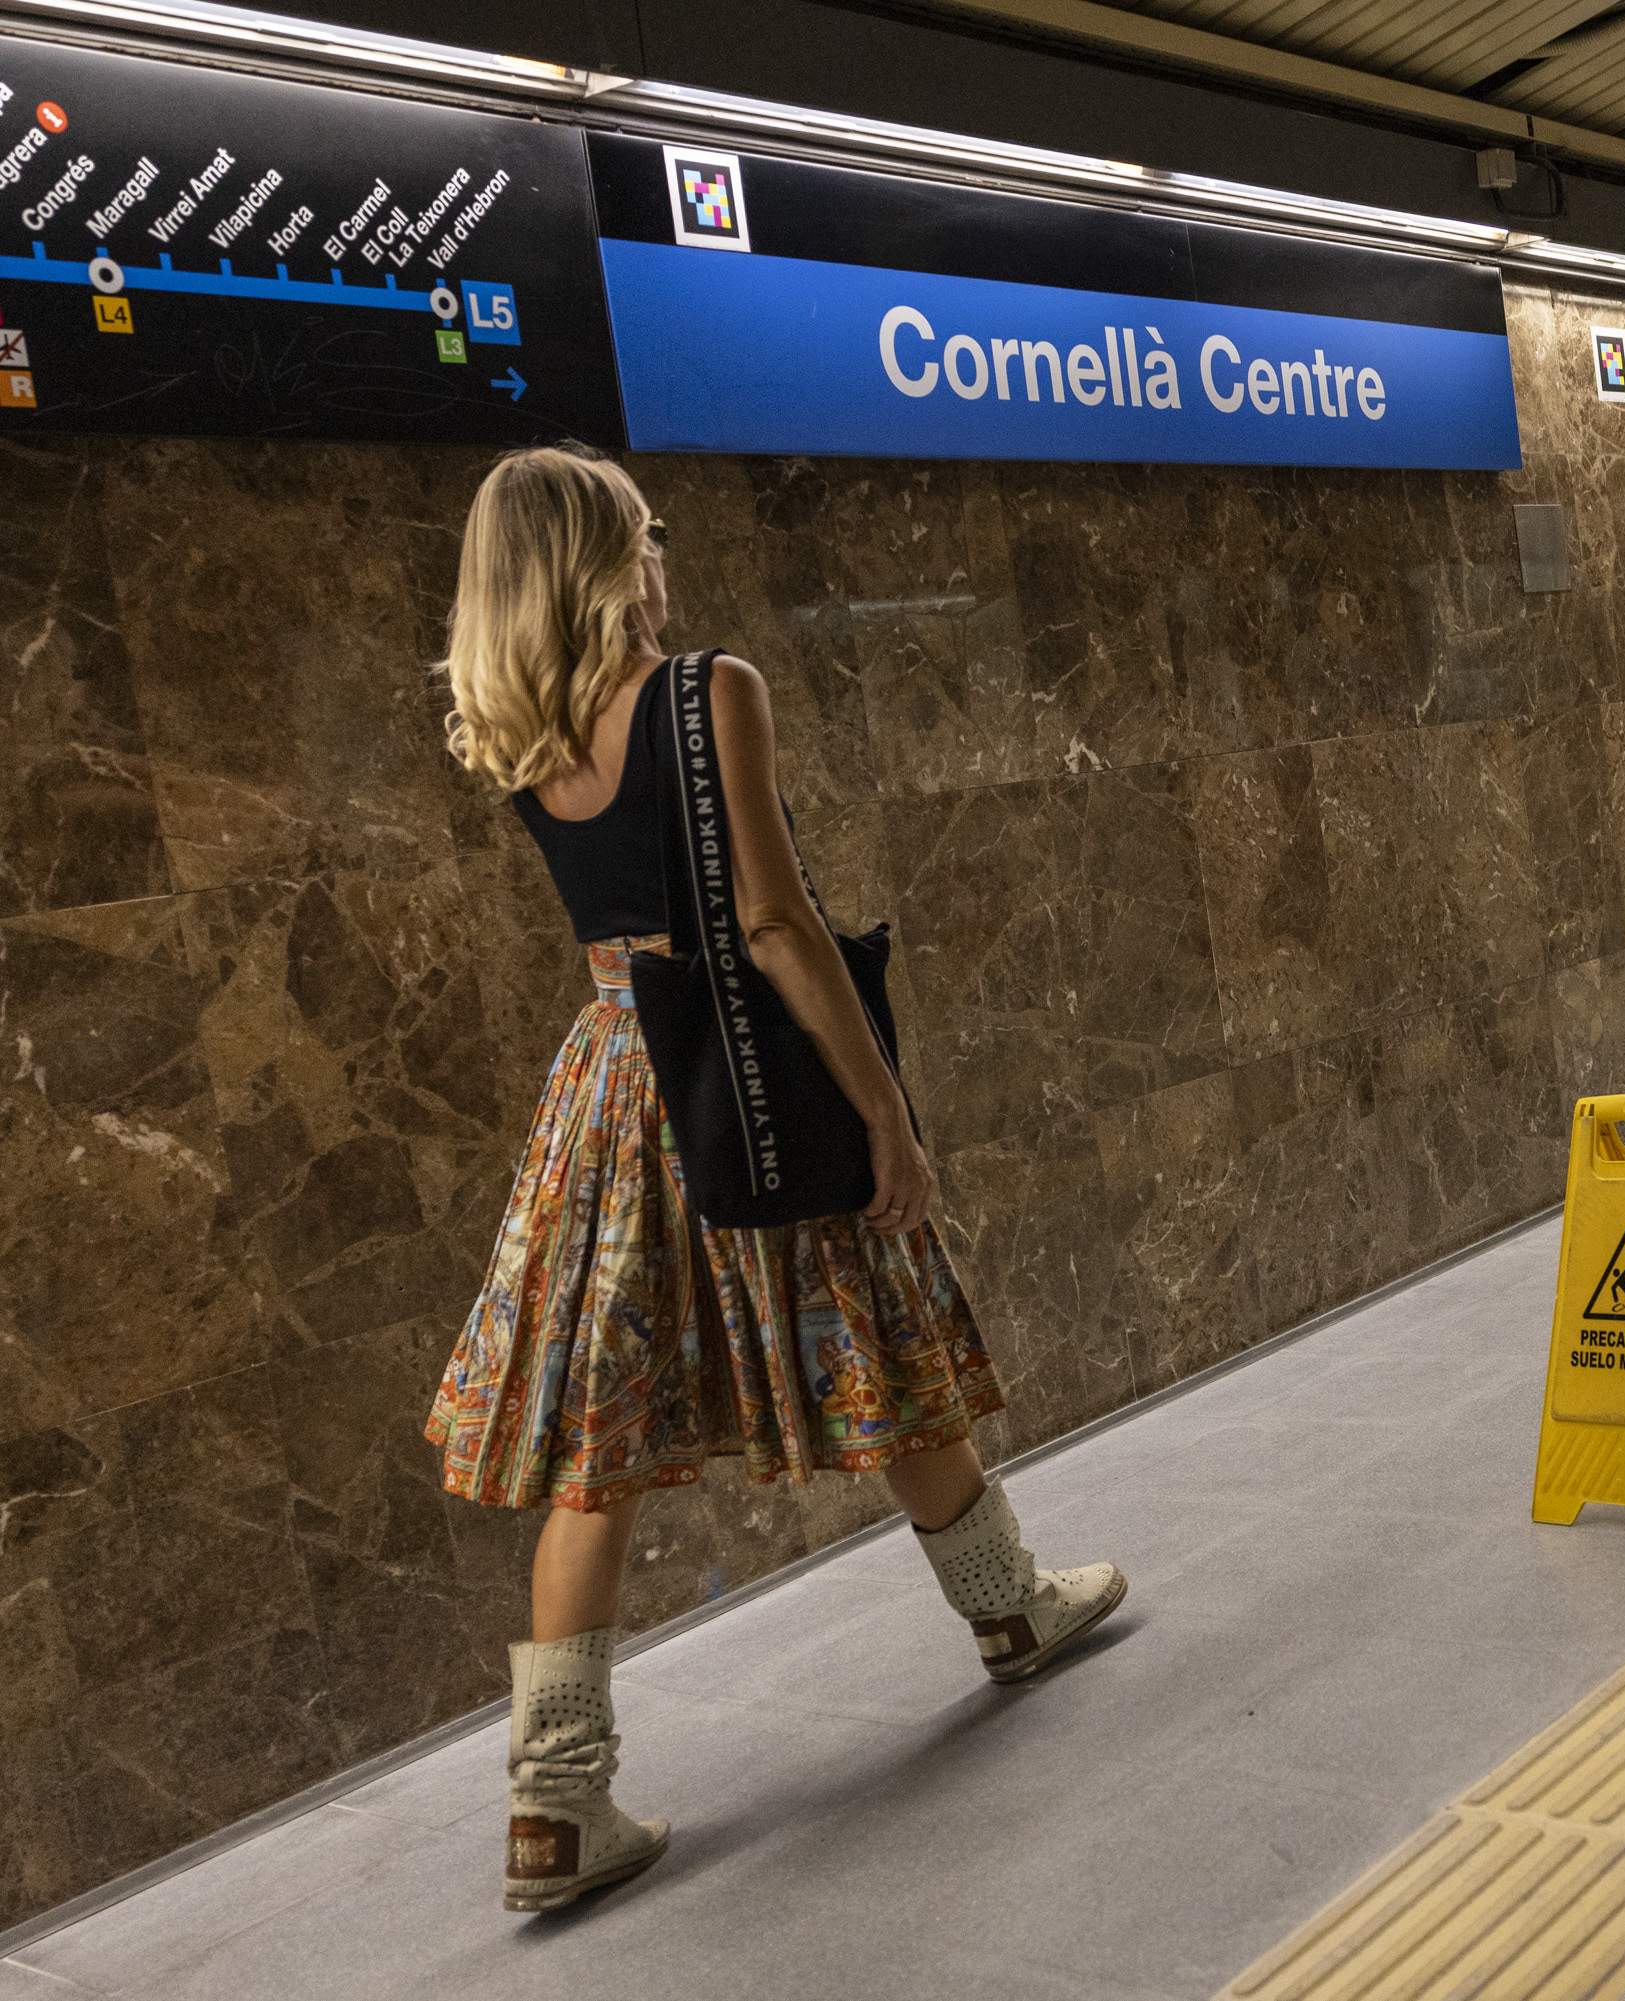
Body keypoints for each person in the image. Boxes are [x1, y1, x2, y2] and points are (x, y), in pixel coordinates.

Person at [426, 446, 1126, 1915]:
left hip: (614, 1083)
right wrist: (888, 1115)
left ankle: (552, 1810)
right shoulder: (708, 690)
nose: (657, 553)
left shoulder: (516, 731)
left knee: (597, 1445)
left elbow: (616, 932)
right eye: (643, 531)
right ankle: (1011, 1612)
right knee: (869, 1336)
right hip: (736, 1079)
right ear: (607, 556)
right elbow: (777, 926)